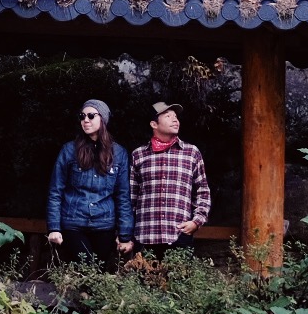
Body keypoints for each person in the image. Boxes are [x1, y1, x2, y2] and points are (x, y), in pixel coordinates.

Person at [46, 99, 134, 264]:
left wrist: (125, 235)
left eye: (91, 116)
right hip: (74, 222)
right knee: (86, 266)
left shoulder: (119, 153)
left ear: (103, 119)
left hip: (104, 224)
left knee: (98, 273)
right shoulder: (69, 150)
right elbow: (55, 190)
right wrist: (54, 228)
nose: (85, 120)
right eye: (82, 116)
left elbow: (123, 195)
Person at [129, 101, 210, 255]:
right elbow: (131, 198)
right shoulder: (138, 154)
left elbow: (203, 191)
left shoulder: (191, 152)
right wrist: (125, 233)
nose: (175, 120)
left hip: (179, 234)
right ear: (154, 124)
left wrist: (196, 221)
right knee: (144, 279)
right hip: (146, 236)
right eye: (168, 116)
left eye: (176, 117)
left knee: (180, 279)